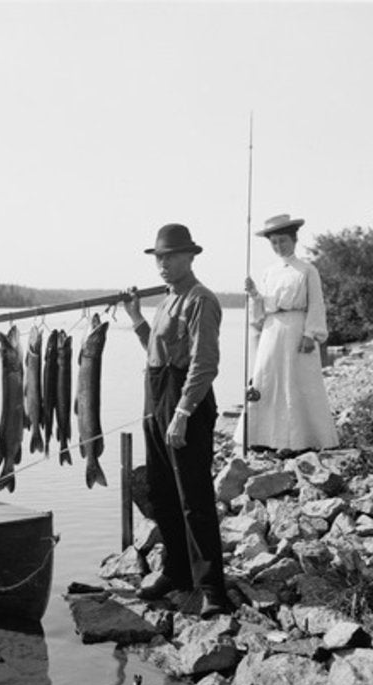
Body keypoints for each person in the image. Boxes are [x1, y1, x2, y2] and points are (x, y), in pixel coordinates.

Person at [123, 223, 230, 618]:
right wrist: (135, 318)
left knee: (194, 498)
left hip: (187, 403)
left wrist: (183, 413)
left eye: (171, 257)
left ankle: (213, 590)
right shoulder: (167, 299)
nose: (163, 264)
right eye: (159, 258)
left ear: (190, 257)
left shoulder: (201, 299)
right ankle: (176, 571)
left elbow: (204, 364)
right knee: (161, 492)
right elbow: (156, 350)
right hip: (156, 400)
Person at [235, 214, 338, 452]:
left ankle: (305, 440)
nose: (279, 246)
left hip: (297, 328)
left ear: (294, 240)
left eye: (283, 241)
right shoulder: (269, 272)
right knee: (266, 379)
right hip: (273, 329)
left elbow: (316, 304)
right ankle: (264, 438)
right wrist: (254, 295)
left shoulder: (307, 270)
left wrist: (311, 334)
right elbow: (263, 309)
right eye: (274, 242)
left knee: (298, 383)